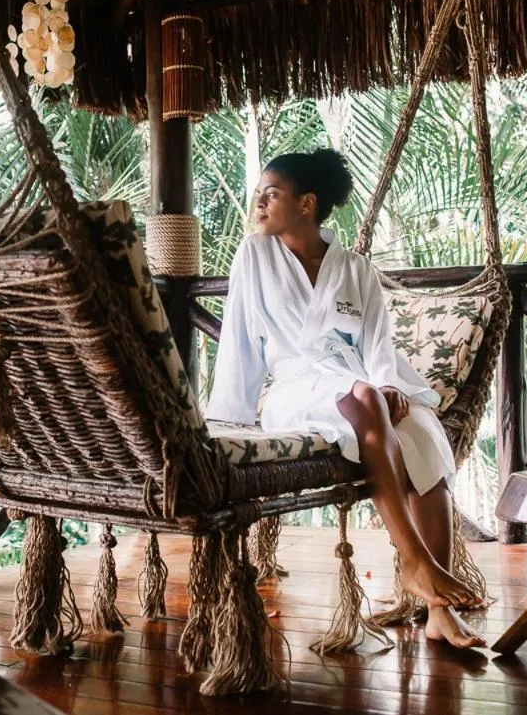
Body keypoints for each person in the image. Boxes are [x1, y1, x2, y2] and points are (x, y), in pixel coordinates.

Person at [205, 148, 486, 649]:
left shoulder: (355, 268)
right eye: (258, 195)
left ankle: (439, 612)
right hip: (292, 390)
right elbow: (239, 342)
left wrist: (389, 384)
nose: (258, 205)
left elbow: (379, 342)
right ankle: (416, 564)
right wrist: (231, 419)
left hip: (356, 384)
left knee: (423, 430)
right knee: (365, 399)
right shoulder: (254, 254)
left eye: (271, 195)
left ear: (307, 203)